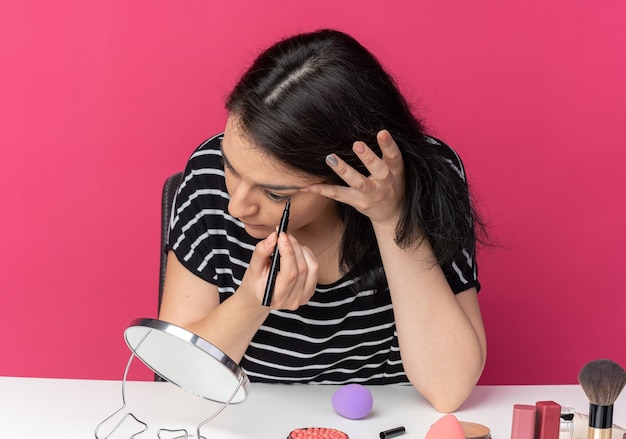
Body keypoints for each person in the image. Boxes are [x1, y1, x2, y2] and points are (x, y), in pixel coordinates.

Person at [159, 28, 487, 413]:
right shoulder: (207, 181)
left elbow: (448, 389)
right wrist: (251, 301)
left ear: (347, 174)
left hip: (393, 417)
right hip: (241, 414)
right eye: (231, 167)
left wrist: (391, 217)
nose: (237, 207)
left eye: (275, 193)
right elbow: (177, 374)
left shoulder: (431, 175)